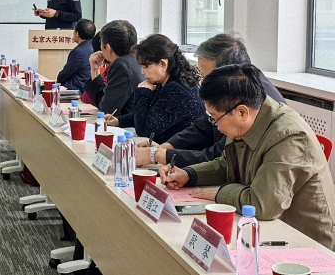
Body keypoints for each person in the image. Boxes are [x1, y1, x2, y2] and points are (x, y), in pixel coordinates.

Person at [161, 64, 335, 251]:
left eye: (214, 118)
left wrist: (220, 192)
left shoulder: (288, 137)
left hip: (306, 243)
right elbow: (228, 164)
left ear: (242, 112)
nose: (215, 125)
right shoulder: (247, 121)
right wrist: (189, 175)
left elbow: (262, 205)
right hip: (270, 229)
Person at [136, 33, 284, 167]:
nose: (202, 82)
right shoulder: (235, 86)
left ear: (228, 73)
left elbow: (220, 155)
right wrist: (168, 146)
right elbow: (205, 125)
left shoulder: (253, 98)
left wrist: (159, 155)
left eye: (207, 77)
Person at [104, 34, 205, 144]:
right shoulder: (169, 81)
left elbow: (144, 130)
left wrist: (142, 92)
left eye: (146, 66)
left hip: (179, 152)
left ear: (163, 64)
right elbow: (151, 113)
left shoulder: (178, 90)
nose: (142, 71)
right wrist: (119, 120)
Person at [83, 20, 143, 116]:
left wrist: (94, 70)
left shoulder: (121, 65)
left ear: (108, 47)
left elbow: (107, 108)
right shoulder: (137, 60)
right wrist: (95, 70)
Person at [56, 19, 95, 93]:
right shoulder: (94, 47)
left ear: (77, 33)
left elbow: (66, 73)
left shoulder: (78, 52)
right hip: (90, 89)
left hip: (77, 91)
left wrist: (58, 83)